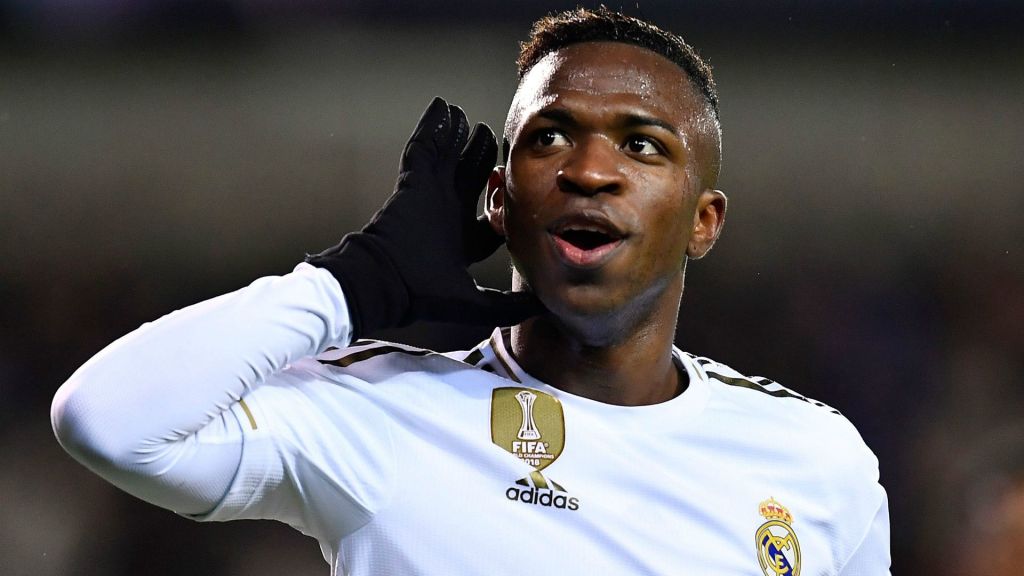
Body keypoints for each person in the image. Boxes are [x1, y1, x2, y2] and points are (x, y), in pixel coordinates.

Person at [51, 7, 890, 575]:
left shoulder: (816, 459)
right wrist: (350, 284)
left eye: (642, 146)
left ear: (704, 221)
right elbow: (107, 422)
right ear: (497, 199)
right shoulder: (381, 412)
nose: (589, 170)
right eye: (551, 136)